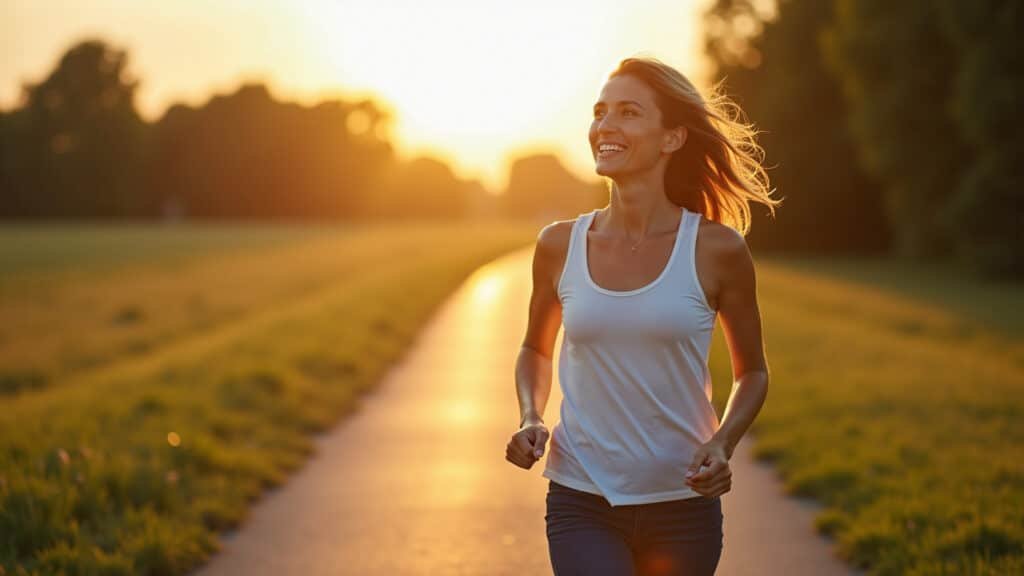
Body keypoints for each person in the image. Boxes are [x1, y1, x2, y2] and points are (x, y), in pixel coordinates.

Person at [505, 55, 781, 576]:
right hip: (581, 497)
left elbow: (754, 373)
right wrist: (530, 416)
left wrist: (722, 443)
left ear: (672, 138)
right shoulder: (559, 244)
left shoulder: (716, 249)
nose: (605, 127)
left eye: (629, 113)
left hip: (684, 505)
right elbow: (535, 349)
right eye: (600, 111)